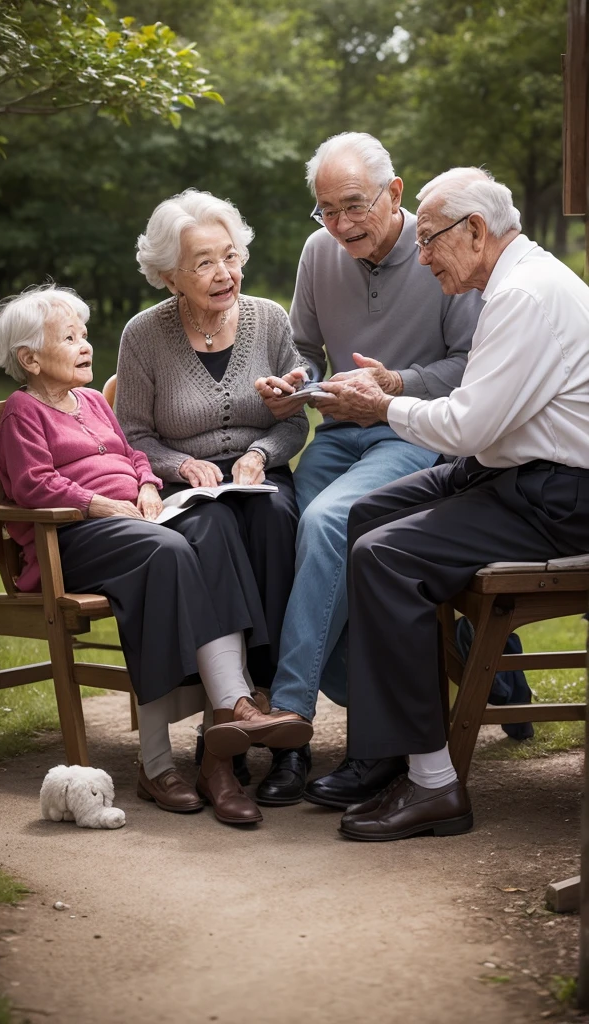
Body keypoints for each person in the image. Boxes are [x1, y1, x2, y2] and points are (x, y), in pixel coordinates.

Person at [318, 167, 589, 841]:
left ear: (476, 230)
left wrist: (382, 405)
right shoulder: (515, 282)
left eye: (431, 239)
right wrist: (394, 388)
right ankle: (390, 747)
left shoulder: (524, 295)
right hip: (512, 472)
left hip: (558, 496)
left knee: (386, 558)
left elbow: (470, 427)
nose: (422, 253)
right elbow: (484, 422)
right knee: (367, 514)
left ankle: (436, 787)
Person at [0, 284, 312, 829]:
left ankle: (222, 746)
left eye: (84, 334)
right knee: (169, 553)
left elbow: (134, 452)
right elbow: (32, 484)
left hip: (131, 520)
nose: (85, 345)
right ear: (30, 359)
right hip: (72, 537)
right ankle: (171, 753)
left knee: (213, 531)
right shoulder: (25, 412)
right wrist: (100, 504)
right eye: (69, 338)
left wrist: (143, 485)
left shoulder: (91, 401)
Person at [253, 132, 482, 808]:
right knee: (281, 526)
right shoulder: (318, 252)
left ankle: (290, 730)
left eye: (354, 206)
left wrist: (399, 383)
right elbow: (304, 345)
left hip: (413, 435)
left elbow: (474, 364)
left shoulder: (441, 249)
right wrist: (298, 377)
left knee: (329, 523)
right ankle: (460, 673)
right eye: (326, 210)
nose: (341, 225)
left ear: (395, 194)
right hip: (336, 433)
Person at [114, 189, 311, 774]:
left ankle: (284, 712)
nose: (225, 273)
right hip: (187, 488)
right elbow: (134, 435)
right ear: (170, 275)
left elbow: (296, 420)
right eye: (204, 263)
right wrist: (179, 467)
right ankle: (227, 711)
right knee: (214, 524)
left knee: (277, 519)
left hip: (262, 476)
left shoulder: (270, 319)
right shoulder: (143, 336)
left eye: (230, 255)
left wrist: (258, 451)